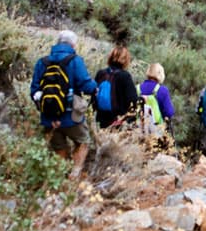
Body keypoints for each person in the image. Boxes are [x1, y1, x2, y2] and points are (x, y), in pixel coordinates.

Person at [30, 30, 97, 179]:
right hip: (70, 116)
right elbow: (86, 85)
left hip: (48, 117)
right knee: (83, 141)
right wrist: (95, 88)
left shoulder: (42, 62)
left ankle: (60, 179)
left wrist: (46, 110)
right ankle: (74, 174)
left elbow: (34, 91)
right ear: (73, 45)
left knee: (59, 147)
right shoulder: (75, 60)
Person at [94, 46, 138, 129]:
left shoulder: (101, 73)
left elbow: (94, 94)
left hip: (101, 119)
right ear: (126, 60)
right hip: (118, 120)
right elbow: (132, 100)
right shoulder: (125, 76)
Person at [139, 62, 175, 138]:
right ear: (160, 74)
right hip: (156, 131)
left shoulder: (137, 88)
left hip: (138, 129)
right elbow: (169, 112)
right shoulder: (162, 90)